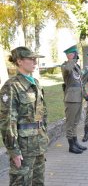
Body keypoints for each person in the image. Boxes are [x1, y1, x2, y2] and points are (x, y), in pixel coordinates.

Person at [0, 46, 48, 185]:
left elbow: (42, 113)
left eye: (35, 59)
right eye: (31, 59)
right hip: (23, 147)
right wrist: (14, 151)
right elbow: (7, 121)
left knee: (38, 182)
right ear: (19, 61)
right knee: (21, 182)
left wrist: (44, 135)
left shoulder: (35, 83)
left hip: (38, 143)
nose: (35, 62)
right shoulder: (12, 86)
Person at [61, 45, 87, 154]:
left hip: (78, 97)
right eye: (75, 54)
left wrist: (85, 95)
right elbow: (67, 69)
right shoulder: (65, 65)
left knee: (76, 122)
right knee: (70, 122)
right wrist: (72, 60)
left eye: (76, 54)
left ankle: (75, 142)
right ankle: (71, 145)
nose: (77, 56)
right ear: (69, 55)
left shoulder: (76, 67)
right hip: (71, 99)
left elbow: (80, 83)